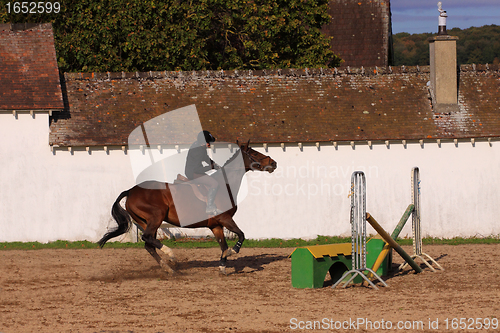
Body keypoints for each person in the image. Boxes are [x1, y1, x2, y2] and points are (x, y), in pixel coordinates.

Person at [185, 130, 222, 215]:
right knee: (214, 184)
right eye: (208, 142)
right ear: (203, 142)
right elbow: (198, 169)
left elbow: (206, 158)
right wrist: (212, 167)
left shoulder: (200, 147)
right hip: (193, 173)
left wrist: (214, 164)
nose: (210, 145)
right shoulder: (197, 151)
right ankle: (209, 207)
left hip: (195, 170)